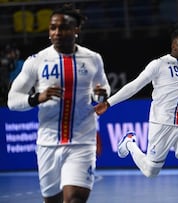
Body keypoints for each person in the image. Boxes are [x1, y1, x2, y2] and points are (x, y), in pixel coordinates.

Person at [94, 28, 178, 203]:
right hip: (162, 124)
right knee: (151, 171)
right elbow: (134, 86)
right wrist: (109, 102)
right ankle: (129, 143)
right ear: (174, 45)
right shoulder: (158, 65)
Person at [7, 3, 110, 203]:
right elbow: (12, 99)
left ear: (76, 30)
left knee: (75, 200)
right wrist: (37, 98)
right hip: (47, 144)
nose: (57, 32)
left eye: (63, 28)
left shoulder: (93, 59)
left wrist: (100, 95)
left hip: (82, 142)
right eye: (53, 28)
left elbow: (103, 91)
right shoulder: (36, 61)